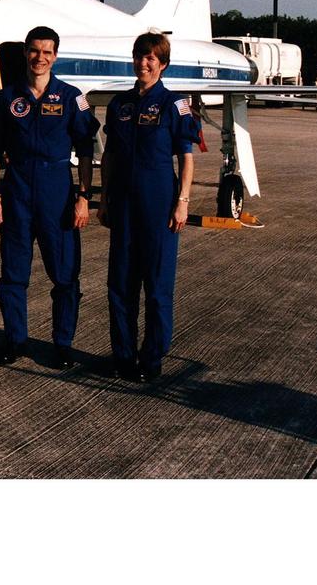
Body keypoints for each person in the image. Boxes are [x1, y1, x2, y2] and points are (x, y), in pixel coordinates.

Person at [0, 26, 98, 370]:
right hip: (17, 191)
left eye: (47, 52)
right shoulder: (7, 98)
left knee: (64, 275)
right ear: (26, 53)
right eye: (34, 51)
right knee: (13, 274)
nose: (40, 57)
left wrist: (83, 197)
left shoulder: (72, 97)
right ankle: (15, 339)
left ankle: (62, 344)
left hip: (57, 193)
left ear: (56, 56)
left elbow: (86, 147)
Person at [98, 31, 200, 383]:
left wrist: (182, 202)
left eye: (151, 58)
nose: (143, 62)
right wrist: (105, 198)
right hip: (124, 206)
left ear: (163, 65)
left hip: (159, 207)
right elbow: (109, 155)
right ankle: (123, 356)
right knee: (120, 285)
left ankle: (152, 357)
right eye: (139, 56)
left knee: (157, 288)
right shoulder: (119, 104)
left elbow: (187, 158)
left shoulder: (175, 105)